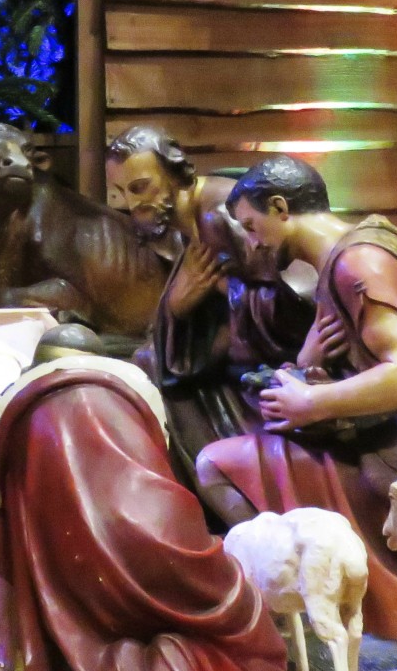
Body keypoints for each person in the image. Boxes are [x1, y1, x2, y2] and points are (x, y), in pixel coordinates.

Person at [192, 156, 397, 642]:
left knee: (217, 465)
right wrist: (307, 365)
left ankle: (309, 605)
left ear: (281, 209)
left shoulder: (358, 264)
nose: (252, 242)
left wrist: (310, 403)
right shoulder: (346, 260)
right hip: (381, 436)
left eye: (251, 225)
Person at [0, 354, 288, 671]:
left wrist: (5, 653)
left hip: (59, 581)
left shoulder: (5, 412)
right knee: (241, 622)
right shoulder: (133, 399)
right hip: (164, 553)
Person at [104, 126, 314, 484]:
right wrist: (179, 305)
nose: (131, 204)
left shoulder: (221, 214)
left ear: (174, 173)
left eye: (140, 187)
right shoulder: (188, 220)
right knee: (146, 364)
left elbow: (293, 301)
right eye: (119, 193)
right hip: (240, 353)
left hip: (283, 363)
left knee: (158, 378)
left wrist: (213, 290)